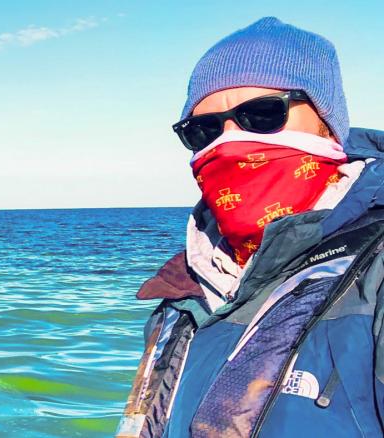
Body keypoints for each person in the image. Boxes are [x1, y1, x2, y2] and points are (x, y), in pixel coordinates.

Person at [117, 17, 384, 438]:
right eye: (203, 129)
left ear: (327, 124)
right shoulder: (182, 293)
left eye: (262, 114)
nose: (228, 141)